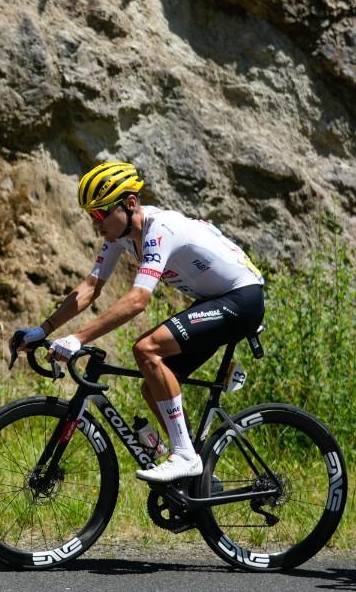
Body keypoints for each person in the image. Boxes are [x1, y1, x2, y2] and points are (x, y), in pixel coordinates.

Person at [14, 161, 264, 482]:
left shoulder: (160, 229)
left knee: (146, 349)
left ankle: (185, 457)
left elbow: (138, 300)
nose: (96, 224)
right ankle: (197, 473)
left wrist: (78, 338)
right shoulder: (120, 237)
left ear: (130, 204)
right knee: (153, 386)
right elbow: (91, 287)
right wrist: (43, 330)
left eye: (101, 215)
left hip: (242, 298)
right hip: (216, 301)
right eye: (91, 216)